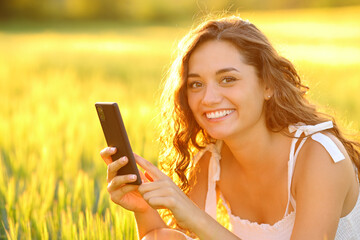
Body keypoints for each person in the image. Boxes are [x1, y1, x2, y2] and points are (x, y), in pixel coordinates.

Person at [100, 15, 360, 240]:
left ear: (268, 85)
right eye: (196, 84)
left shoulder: (319, 156)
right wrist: (143, 210)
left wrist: (194, 217)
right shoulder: (210, 161)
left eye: (228, 79)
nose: (208, 98)